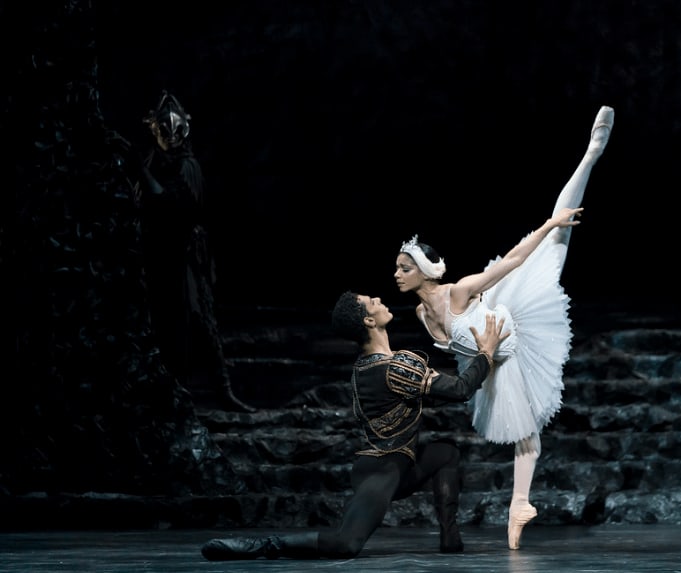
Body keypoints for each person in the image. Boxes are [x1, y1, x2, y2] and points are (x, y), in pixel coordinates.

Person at [394, 105, 614, 550]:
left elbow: (512, 260)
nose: (396, 274)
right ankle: (519, 507)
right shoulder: (420, 315)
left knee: (557, 240)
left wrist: (549, 223)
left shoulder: (457, 292)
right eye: (397, 268)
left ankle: (591, 154)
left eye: (404, 268)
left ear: (425, 272)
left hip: (513, 313)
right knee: (526, 438)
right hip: (493, 361)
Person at [200, 290, 510, 560]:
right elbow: (459, 390)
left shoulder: (369, 366)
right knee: (345, 544)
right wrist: (486, 352)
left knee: (446, 453)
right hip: (381, 470)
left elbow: (437, 395)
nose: (378, 299)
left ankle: (450, 537)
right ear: (369, 321)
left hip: (400, 465)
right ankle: (263, 545)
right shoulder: (394, 368)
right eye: (371, 301)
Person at [137, 90, 256, 413]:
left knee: (199, 319)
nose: (169, 138)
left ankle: (222, 390)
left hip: (185, 257)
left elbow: (172, 203)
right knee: (164, 323)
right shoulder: (151, 162)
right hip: (158, 257)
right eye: (163, 131)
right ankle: (173, 393)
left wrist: (142, 173)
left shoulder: (187, 166)